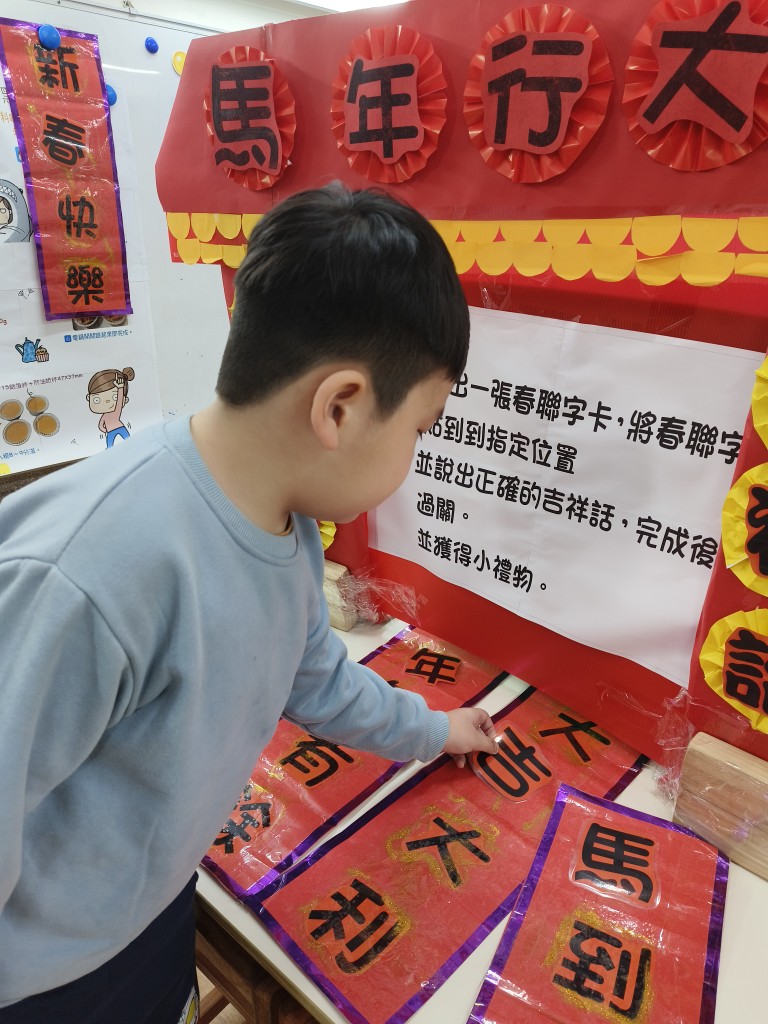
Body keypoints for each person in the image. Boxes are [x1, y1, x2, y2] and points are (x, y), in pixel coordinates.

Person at [0, 183, 498, 1023]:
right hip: (43, 981)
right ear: (340, 406)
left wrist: (433, 730)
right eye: (420, 428)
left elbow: (318, 681)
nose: (415, 453)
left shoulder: (286, 525)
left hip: (150, 910)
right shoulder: (86, 574)